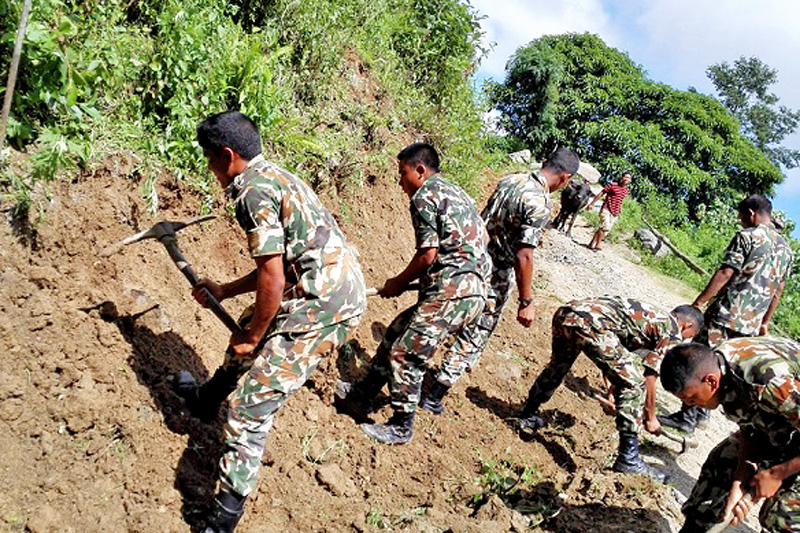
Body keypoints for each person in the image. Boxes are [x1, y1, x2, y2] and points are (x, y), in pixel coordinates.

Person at [174, 111, 367, 533]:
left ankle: (223, 516)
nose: (210, 170)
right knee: (246, 326)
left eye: (209, 160)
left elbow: (273, 276)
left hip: (324, 302)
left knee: (250, 405)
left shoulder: (250, 192)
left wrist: (255, 336)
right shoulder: (278, 176)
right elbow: (280, 264)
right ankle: (208, 402)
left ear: (227, 156)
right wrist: (226, 291)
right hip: (320, 282)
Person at [337, 143, 491, 444]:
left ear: (420, 170)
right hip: (472, 291)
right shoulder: (457, 193)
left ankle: (400, 426)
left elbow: (428, 255)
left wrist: (397, 282)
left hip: (452, 291)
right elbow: (482, 236)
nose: (400, 181)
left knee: (407, 354)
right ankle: (363, 395)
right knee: (396, 333)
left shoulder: (424, 196)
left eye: (402, 172)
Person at [415, 148, 580, 414]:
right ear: (564, 178)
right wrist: (526, 301)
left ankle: (412, 364)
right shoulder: (540, 203)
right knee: (477, 331)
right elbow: (524, 254)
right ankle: (434, 395)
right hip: (496, 273)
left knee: (443, 314)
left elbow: (483, 220)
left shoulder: (510, 180)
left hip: (470, 257)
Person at [516, 296, 704, 481]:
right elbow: (649, 377)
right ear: (687, 326)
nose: (686, 341)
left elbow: (613, 356)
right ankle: (628, 459)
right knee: (634, 383)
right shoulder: (672, 332)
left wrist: (613, 391)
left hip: (568, 313)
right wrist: (651, 417)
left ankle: (527, 414)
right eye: (690, 337)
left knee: (558, 367)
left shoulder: (651, 316)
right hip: (592, 324)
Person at [659, 194, 794, 434]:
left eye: (742, 217)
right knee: (726, 370)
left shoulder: (748, 236)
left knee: (701, 362)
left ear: (752, 213)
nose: (741, 221)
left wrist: (699, 302)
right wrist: (765, 322)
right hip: (750, 326)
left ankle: (687, 418)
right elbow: (778, 290)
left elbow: (725, 272)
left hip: (726, 314)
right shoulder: (786, 250)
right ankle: (701, 415)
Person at [660, 338, 800, 532]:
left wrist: (778, 473)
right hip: (787, 422)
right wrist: (739, 483)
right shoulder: (719, 367)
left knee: (782, 515)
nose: (690, 405)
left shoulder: (769, 383)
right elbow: (749, 427)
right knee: (720, 467)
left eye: (691, 398)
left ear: (711, 381)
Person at [586, 172, 632, 251]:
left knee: (604, 230)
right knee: (605, 226)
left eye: (629, 178)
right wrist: (592, 203)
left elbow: (620, 200)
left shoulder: (626, 190)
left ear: (630, 180)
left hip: (615, 212)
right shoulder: (612, 185)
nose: (627, 179)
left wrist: (619, 210)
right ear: (622, 177)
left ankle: (591, 243)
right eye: (626, 177)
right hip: (606, 208)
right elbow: (601, 193)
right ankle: (598, 244)